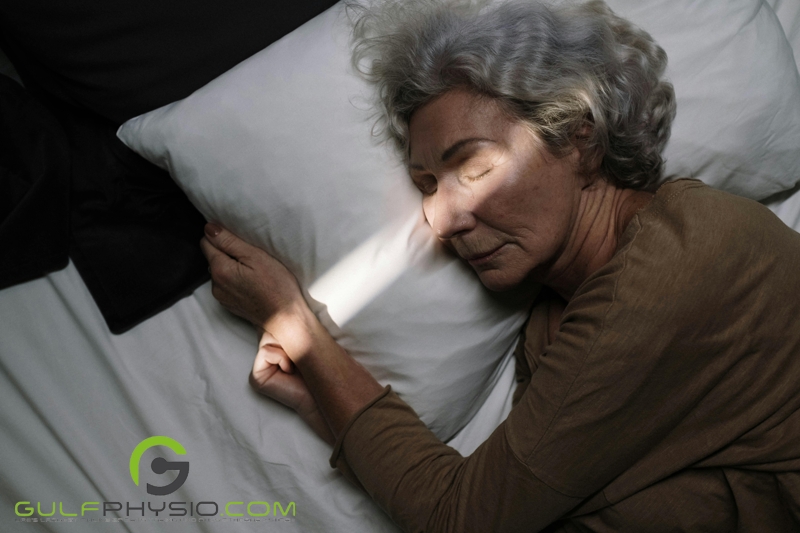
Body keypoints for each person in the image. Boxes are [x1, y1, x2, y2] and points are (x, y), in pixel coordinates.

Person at [199, 0, 800, 530]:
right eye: (427, 184)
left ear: (579, 138)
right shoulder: (549, 323)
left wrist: (299, 330)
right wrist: (320, 400)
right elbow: (503, 496)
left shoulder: (680, 260)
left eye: (475, 168)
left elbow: (459, 516)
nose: (440, 218)